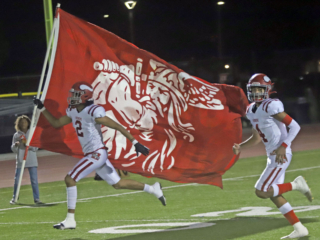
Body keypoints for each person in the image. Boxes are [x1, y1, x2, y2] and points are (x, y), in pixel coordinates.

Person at [33, 81, 166, 230]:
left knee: (70, 179)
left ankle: (70, 219)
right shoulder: (74, 110)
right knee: (118, 184)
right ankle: (153, 189)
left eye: (76, 94)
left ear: (85, 96)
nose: (72, 97)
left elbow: (116, 125)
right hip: (94, 154)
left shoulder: (93, 111)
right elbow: (57, 123)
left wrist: (135, 142)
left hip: (96, 154)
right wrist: (42, 108)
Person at [233, 73, 313, 239]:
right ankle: (300, 229)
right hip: (272, 155)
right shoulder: (251, 109)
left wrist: (284, 146)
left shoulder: (271, 105)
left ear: (267, 90)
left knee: (261, 191)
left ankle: (296, 185)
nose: (255, 92)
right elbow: (256, 137)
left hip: (280, 155)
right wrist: (241, 146)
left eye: (259, 88)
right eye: (253, 89)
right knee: (273, 194)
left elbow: (295, 126)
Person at [10, 115, 42, 205]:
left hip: (31, 160)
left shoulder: (32, 133)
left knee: (34, 180)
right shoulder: (17, 135)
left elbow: (36, 147)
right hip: (21, 161)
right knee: (17, 180)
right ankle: (14, 198)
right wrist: (16, 145)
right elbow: (13, 149)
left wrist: (28, 145)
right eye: (21, 122)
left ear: (28, 123)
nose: (23, 124)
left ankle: (37, 199)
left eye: (25, 122)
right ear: (18, 124)